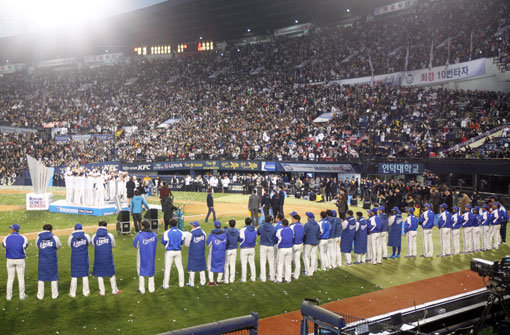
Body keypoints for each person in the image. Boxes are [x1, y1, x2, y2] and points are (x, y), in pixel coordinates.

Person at [92, 221, 122, 296]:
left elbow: (94, 246)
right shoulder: (110, 235)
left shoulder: (94, 236)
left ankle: (102, 292)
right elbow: (113, 245)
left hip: (98, 257)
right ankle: (114, 290)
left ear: (98, 226)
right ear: (106, 226)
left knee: (99, 274)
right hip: (108, 256)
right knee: (111, 273)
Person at [2, 223, 28, 301]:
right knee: (21, 278)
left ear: (13, 230)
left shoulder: (6, 238)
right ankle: (21, 296)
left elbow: (4, 245)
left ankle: (8, 296)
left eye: (11, 228)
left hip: (10, 260)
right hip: (20, 260)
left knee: (10, 278)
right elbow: (26, 246)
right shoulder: (23, 238)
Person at [36, 224, 62, 300]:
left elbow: (38, 246)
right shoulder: (55, 238)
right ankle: (54, 295)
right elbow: (58, 246)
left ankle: (40, 296)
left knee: (41, 277)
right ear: (51, 230)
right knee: (53, 277)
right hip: (52, 260)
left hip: (42, 261)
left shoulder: (38, 238)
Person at [133, 221, 157, 294]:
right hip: (151, 255)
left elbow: (135, 245)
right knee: (151, 270)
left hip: (141, 255)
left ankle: (142, 289)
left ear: (143, 227)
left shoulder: (139, 235)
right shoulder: (154, 234)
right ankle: (151, 289)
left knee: (141, 271)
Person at [68, 223, 92, 297]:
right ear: (82, 228)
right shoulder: (86, 236)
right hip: (84, 257)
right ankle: (86, 292)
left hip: (75, 258)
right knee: (84, 275)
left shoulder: (71, 237)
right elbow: (89, 244)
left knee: (74, 276)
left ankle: (72, 293)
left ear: (74, 229)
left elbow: (70, 245)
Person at [161, 219, 185, 289]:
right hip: (178, 251)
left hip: (170, 251)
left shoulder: (167, 232)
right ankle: (181, 284)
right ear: (176, 224)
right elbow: (182, 242)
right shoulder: (180, 232)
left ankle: (166, 285)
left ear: (170, 225)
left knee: (167, 269)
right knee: (180, 268)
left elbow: (164, 242)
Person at [206, 221, 227, 286]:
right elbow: (226, 243)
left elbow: (208, 244)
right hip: (222, 252)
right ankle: (218, 281)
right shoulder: (224, 233)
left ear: (214, 226)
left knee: (210, 266)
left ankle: (211, 282)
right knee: (221, 266)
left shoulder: (212, 233)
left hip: (213, 253)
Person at [187, 221, 207, 286]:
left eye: (192, 225)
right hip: (201, 252)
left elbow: (187, 244)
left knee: (192, 268)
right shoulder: (203, 232)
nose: (191, 226)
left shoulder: (190, 234)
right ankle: (203, 282)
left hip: (193, 253)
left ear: (194, 226)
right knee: (202, 268)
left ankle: (191, 283)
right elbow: (204, 240)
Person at [257, 215, 277, 282]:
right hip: (271, 246)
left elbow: (257, 233)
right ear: (271, 220)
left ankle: (263, 278)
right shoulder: (274, 228)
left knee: (263, 262)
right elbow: (275, 237)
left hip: (263, 245)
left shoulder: (261, 226)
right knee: (271, 262)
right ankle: (272, 277)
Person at [275, 219, 294, 283]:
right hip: (289, 248)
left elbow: (276, 238)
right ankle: (288, 279)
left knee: (280, 264)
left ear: (282, 224)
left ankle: (279, 279)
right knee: (288, 264)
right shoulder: (291, 230)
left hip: (282, 249)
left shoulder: (279, 230)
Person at [239, 217, 257, 283]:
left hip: (244, 249)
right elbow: (255, 237)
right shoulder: (255, 229)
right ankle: (253, 278)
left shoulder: (243, 230)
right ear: (251, 222)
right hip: (252, 248)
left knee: (244, 264)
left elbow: (240, 239)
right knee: (252, 263)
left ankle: (244, 279)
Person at [224, 219, 240, 284]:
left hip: (227, 249)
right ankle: (232, 280)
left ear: (229, 224)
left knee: (226, 265)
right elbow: (239, 239)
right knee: (232, 265)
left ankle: (226, 280)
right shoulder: (237, 230)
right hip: (234, 249)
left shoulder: (226, 231)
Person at [289, 212, 304, 280]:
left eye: (293, 219)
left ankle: (288, 275)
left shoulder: (292, 226)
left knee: (289, 260)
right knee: (297, 260)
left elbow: (290, 236)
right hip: (300, 244)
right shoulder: (302, 226)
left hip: (293, 245)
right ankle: (296, 276)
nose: (292, 220)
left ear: (296, 220)